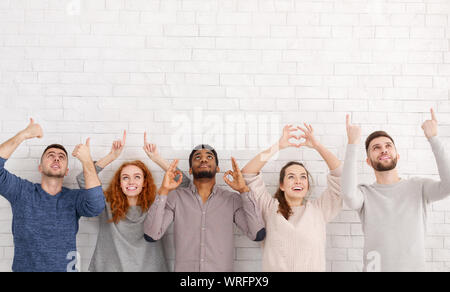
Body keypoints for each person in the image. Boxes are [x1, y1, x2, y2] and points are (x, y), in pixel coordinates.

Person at [342, 109, 450, 272]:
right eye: (376, 148)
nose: (383, 150)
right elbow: (349, 196)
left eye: (388, 146)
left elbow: (447, 186)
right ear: (369, 162)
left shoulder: (419, 187)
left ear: (397, 155)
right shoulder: (365, 194)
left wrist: (433, 138)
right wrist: (352, 144)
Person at [0, 118, 105, 272]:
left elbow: (96, 206)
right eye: (51, 155)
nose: (57, 158)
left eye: (62, 157)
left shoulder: (74, 199)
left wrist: (87, 161)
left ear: (67, 171)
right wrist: (23, 135)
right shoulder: (22, 192)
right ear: (40, 167)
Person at [76, 131, 188, 272]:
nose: (131, 182)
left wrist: (156, 157)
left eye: (137, 177)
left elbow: (183, 183)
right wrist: (112, 156)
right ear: (120, 184)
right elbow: (82, 179)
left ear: (144, 183)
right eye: (125, 178)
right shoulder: (106, 204)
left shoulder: (157, 206)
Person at [143, 144, 266, 272]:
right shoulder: (175, 198)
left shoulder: (232, 200)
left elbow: (257, 234)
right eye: (197, 157)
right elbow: (151, 235)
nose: (203, 159)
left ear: (217, 168)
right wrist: (163, 191)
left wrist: (243, 190)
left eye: (209, 156)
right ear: (190, 170)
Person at [241, 124, 343, 272]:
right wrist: (277, 146)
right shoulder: (269, 208)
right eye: (291, 177)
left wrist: (317, 146)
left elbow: (340, 176)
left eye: (303, 177)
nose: (298, 181)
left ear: (307, 184)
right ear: (281, 185)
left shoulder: (319, 210)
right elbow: (248, 173)